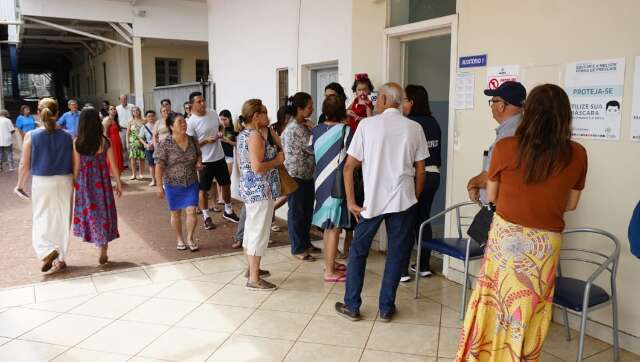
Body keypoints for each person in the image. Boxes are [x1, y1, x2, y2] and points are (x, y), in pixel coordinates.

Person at [456, 84, 588, 362]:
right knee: (529, 309)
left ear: (529, 112)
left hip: (507, 238)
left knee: (495, 301)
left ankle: (484, 355)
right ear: (565, 116)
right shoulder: (577, 153)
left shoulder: (506, 146)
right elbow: (571, 204)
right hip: (544, 245)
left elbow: (492, 195)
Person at [334, 82, 428, 322]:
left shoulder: (367, 125)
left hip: (372, 202)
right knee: (397, 254)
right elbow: (421, 170)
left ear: (386, 98)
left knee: (358, 251)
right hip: (403, 201)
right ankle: (386, 308)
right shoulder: (414, 127)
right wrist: (414, 197)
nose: (374, 101)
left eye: (377, 97)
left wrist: (351, 203)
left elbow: (348, 167)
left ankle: (352, 305)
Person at [15, 98, 74, 273]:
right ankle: (61, 257)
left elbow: (24, 165)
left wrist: (20, 185)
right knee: (63, 218)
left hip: (42, 180)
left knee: (41, 216)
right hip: (65, 179)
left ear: (39, 113)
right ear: (57, 113)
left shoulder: (31, 136)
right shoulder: (68, 135)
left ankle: (46, 250)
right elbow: (73, 160)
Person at [237, 99, 284, 290]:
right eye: (264, 113)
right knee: (258, 232)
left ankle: (252, 269)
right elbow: (257, 166)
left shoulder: (244, 134)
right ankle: (254, 279)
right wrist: (277, 161)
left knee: (251, 229)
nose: (268, 116)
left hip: (251, 189)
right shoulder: (254, 135)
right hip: (260, 189)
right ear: (256, 116)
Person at [400, 85, 442, 282]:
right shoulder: (433, 122)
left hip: (418, 177)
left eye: (405, 100)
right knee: (423, 219)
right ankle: (423, 265)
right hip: (434, 177)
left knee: (407, 221)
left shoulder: (411, 124)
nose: (402, 104)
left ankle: (401, 270)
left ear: (412, 102)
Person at [73, 108, 123, 265]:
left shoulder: (77, 142)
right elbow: (113, 165)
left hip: (85, 184)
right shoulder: (104, 141)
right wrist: (119, 182)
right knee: (104, 212)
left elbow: (76, 167)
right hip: (102, 183)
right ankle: (103, 247)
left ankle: (98, 241)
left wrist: (74, 184)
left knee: (92, 213)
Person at [311, 95, 352, 282]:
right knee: (334, 227)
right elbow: (354, 156)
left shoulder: (316, 130)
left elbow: (311, 151)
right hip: (336, 183)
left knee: (328, 226)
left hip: (320, 182)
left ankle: (330, 263)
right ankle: (329, 271)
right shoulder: (345, 130)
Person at [186, 91, 240, 230]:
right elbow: (190, 145)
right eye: (199, 101)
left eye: (203, 100)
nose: (203, 103)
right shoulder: (191, 122)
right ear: (192, 105)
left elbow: (220, 126)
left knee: (226, 184)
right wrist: (205, 140)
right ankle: (206, 216)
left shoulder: (212, 113)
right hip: (204, 161)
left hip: (219, 157)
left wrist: (220, 132)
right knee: (203, 190)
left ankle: (228, 210)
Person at [467, 81, 526, 203]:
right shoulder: (524, 128)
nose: (491, 106)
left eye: (493, 101)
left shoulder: (506, 137)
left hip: (500, 209)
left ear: (501, 106)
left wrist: (472, 183)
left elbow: (490, 178)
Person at [155, 113, 202, 251]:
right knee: (175, 213)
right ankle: (180, 239)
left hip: (191, 181)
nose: (183, 124)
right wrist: (159, 186)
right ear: (171, 126)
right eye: (179, 122)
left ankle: (190, 238)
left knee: (191, 210)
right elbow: (159, 165)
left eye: (184, 121)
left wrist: (198, 163)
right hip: (172, 183)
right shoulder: (165, 143)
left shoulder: (193, 140)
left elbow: (198, 154)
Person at [282, 92, 318, 261]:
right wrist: (315, 130)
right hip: (296, 175)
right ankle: (298, 247)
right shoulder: (295, 128)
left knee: (306, 211)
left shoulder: (303, 125)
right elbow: (313, 147)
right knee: (297, 212)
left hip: (307, 174)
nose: (312, 109)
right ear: (299, 109)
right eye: (309, 107)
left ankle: (305, 242)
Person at [126, 106, 147, 180]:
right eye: (134, 111)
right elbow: (128, 133)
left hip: (142, 141)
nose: (136, 112)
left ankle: (141, 173)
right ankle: (134, 174)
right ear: (132, 113)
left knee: (142, 158)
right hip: (133, 141)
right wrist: (127, 143)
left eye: (137, 110)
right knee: (133, 158)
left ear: (139, 111)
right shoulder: (130, 122)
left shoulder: (144, 120)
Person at [102, 105, 124, 174]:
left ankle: (119, 178)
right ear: (108, 111)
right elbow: (104, 133)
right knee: (113, 159)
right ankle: (115, 179)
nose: (113, 110)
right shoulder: (107, 119)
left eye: (114, 109)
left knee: (118, 158)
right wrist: (108, 143)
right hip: (111, 142)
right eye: (111, 109)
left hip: (117, 141)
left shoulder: (114, 119)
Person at [138, 110, 157, 186]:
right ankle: (153, 180)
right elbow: (140, 137)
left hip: (158, 147)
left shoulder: (157, 124)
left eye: (152, 116)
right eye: (149, 116)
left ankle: (160, 180)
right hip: (149, 149)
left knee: (159, 164)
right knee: (151, 164)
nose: (151, 117)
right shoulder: (144, 127)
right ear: (146, 118)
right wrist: (145, 144)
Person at [116, 94, 134, 167]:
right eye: (122, 99)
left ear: (127, 99)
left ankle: (133, 163)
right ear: (119, 100)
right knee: (123, 146)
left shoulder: (132, 106)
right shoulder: (117, 108)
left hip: (132, 129)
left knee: (133, 145)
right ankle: (126, 163)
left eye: (125, 99)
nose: (123, 100)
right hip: (122, 129)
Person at [219, 109, 237, 178]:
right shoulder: (219, 128)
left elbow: (237, 144)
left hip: (229, 156)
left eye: (225, 119)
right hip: (219, 157)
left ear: (229, 118)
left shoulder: (234, 129)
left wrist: (228, 141)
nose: (223, 121)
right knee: (219, 180)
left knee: (227, 179)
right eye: (221, 119)